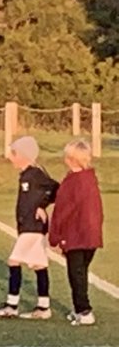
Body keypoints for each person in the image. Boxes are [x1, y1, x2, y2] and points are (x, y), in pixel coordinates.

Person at [0, 136, 59, 319]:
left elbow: (56, 188)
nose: (10, 157)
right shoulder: (26, 174)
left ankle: (11, 305)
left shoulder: (36, 173)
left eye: (14, 153)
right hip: (28, 226)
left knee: (14, 261)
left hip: (32, 227)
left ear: (24, 155)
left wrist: (42, 205)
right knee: (39, 264)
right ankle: (44, 307)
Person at [49, 139, 104, 326]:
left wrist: (55, 237)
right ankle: (79, 308)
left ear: (71, 158)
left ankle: (84, 310)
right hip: (91, 235)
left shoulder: (73, 182)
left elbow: (63, 211)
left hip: (76, 234)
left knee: (76, 273)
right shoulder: (90, 179)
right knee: (80, 272)